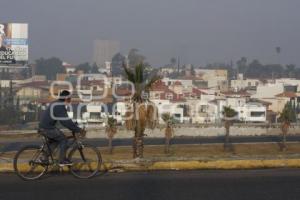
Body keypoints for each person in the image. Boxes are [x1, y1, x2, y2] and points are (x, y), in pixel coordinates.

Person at [39, 90, 85, 166]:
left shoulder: (57, 103)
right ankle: (62, 160)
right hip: (47, 128)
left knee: (56, 140)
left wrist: (74, 125)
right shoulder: (59, 105)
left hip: (46, 127)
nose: (70, 99)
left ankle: (44, 157)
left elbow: (66, 119)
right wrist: (78, 129)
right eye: (69, 98)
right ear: (66, 98)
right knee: (64, 139)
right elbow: (65, 121)